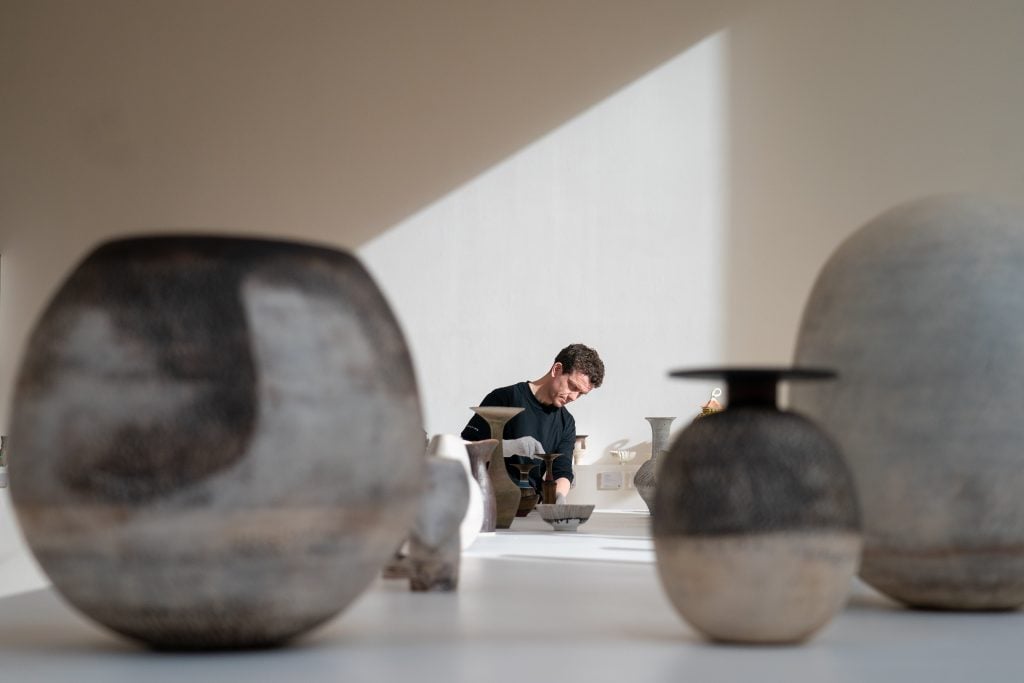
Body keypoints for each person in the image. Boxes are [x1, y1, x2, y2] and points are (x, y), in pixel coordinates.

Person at [461, 343, 605, 505]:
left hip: (530, 507)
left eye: (581, 394)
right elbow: (466, 450)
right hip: (488, 505)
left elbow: (562, 471)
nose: (573, 397)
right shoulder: (504, 398)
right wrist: (509, 447)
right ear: (556, 369)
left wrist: (558, 498)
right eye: (572, 386)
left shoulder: (566, 422)